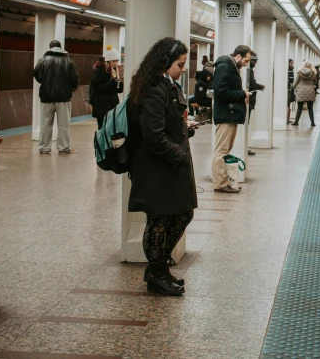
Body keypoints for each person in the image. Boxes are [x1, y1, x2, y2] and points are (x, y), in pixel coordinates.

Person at [127, 38, 198, 296]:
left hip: (168, 164)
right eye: (179, 64)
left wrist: (184, 128)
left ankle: (157, 268)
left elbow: (164, 125)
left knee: (181, 214)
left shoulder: (167, 85)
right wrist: (178, 155)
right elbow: (153, 136)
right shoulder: (154, 89)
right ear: (165, 62)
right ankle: (156, 274)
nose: (183, 69)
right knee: (159, 220)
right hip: (157, 167)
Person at [212, 45, 252, 193]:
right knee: (221, 151)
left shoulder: (231, 67)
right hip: (226, 114)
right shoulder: (224, 67)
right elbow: (221, 91)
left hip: (230, 113)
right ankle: (220, 183)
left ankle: (225, 180)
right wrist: (241, 94)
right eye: (246, 60)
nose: (246, 64)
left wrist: (242, 93)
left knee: (225, 149)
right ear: (238, 56)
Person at [33, 40, 79, 154]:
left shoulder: (42, 60)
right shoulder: (69, 61)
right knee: (64, 124)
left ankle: (44, 147)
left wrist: (45, 83)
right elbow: (75, 78)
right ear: (60, 47)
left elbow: (37, 74)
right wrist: (71, 89)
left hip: (46, 97)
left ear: (50, 47)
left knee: (45, 123)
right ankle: (63, 148)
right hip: (63, 97)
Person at [89, 47, 123, 129]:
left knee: (112, 128)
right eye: (113, 61)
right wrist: (112, 82)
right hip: (101, 105)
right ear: (107, 61)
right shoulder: (98, 71)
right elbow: (97, 88)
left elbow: (117, 90)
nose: (116, 63)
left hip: (112, 104)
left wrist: (121, 83)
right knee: (102, 128)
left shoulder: (115, 71)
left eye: (117, 61)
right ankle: (101, 142)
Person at [247, 52, 265, 156]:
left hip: (249, 100)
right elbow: (252, 84)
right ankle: (244, 147)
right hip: (248, 100)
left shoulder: (248, 70)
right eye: (254, 61)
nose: (255, 63)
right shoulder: (249, 71)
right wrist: (260, 86)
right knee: (246, 123)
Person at [291, 61, 317, 127]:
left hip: (301, 91)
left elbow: (295, 83)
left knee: (299, 108)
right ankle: (312, 123)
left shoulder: (299, 73)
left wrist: (292, 87)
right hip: (310, 91)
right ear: (311, 66)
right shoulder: (313, 73)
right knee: (310, 108)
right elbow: (315, 82)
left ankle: (296, 122)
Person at [287, 59, 295, 125]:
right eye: (291, 63)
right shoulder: (288, 71)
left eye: (292, 63)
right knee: (287, 104)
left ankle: (288, 118)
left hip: (291, 90)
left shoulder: (291, 70)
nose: (292, 65)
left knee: (289, 104)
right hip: (288, 90)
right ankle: (286, 119)